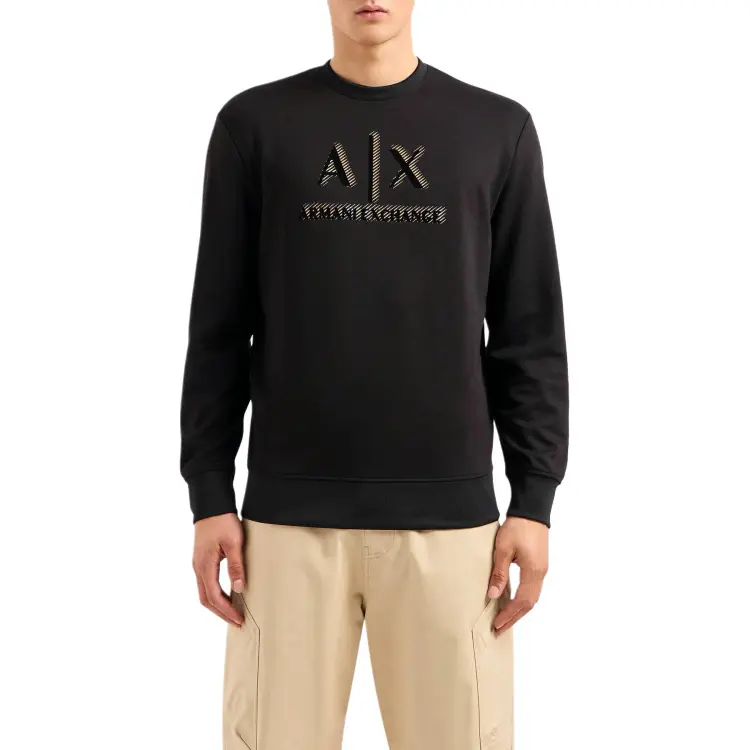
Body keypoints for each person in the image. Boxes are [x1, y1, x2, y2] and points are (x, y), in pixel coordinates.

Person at [180, 1, 568, 747]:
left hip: (454, 531)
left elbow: (529, 334)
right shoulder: (253, 126)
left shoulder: (497, 129)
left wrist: (535, 500)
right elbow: (218, 329)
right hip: (283, 528)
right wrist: (208, 495)